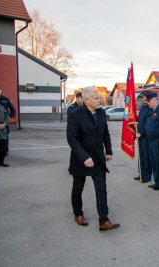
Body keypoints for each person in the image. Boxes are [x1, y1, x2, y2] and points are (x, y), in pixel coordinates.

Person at [66, 86, 119, 231]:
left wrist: (108, 151)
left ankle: (104, 220)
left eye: (99, 97)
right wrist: (84, 157)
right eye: (96, 98)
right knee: (78, 188)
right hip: (81, 159)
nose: (99, 100)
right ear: (87, 100)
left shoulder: (101, 113)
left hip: (98, 158)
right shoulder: (75, 115)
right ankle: (78, 214)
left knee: (101, 189)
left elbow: (105, 133)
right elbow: (72, 139)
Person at [134, 91, 152, 183]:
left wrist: (142, 133)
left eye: (145, 97)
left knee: (146, 157)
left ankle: (147, 176)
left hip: (145, 136)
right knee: (141, 156)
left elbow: (148, 124)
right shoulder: (143, 107)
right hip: (140, 135)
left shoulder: (149, 108)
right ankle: (141, 174)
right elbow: (140, 121)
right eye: (143, 97)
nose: (144, 98)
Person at [0, 86, 15, 155]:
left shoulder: (6, 99)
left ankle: (5, 150)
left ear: (1, 91)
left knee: (5, 136)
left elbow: (13, 109)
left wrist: (9, 117)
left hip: (4, 121)